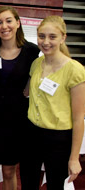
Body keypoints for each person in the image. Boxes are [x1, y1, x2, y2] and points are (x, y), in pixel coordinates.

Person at [20, 15, 85, 190]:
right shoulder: (36, 63)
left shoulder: (75, 70)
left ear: (63, 37)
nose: (46, 42)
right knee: (28, 183)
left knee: (55, 185)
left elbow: (79, 119)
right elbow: (27, 92)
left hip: (58, 139)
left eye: (52, 37)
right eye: (42, 36)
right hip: (31, 133)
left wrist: (74, 158)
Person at [0, 6, 40, 190]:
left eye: (8, 21)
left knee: (9, 171)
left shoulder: (31, 51)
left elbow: (37, 75)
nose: (4, 26)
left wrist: (29, 87)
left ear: (18, 23)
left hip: (16, 120)